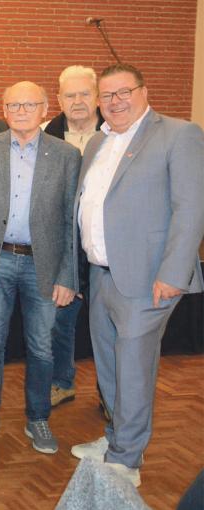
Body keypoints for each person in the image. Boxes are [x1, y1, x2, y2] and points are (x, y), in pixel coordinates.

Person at [70, 64, 204, 487]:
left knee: (133, 368)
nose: (115, 102)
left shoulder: (178, 135)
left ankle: (127, 459)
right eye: (106, 96)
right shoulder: (96, 143)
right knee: (108, 365)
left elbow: (191, 209)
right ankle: (115, 438)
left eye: (123, 92)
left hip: (148, 281)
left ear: (144, 92)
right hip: (102, 275)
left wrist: (173, 273)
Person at [0, 81, 80, 454]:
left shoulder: (66, 155)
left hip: (42, 265)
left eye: (29, 105)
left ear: (45, 109)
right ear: (5, 110)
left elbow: (70, 222)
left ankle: (38, 418)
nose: (21, 111)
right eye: (13, 105)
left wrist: (68, 276)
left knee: (41, 347)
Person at [41, 65, 104, 408]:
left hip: (106, 250)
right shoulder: (45, 135)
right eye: (70, 95)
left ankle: (110, 394)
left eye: (84, 94)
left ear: (96, 97)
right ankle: (62, 382)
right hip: (62, 249)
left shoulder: (115, 136)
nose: (77, 101)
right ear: (59, 99)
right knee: (58, 324)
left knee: (107, 328)